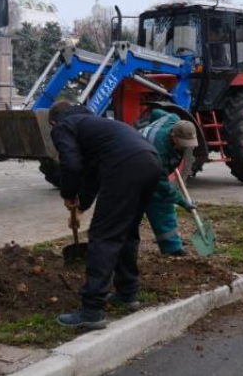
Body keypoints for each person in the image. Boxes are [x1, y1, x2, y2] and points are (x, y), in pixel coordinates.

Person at [48, 100, 161, 329]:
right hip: (151, 160)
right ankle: (128, 293)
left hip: (125, 165)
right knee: (127, 231)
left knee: (103, 236)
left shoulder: (63, 126)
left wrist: (68, 193)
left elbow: (71, 166)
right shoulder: (94, 124)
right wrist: (81, 207)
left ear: (52, 122)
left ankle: (91, 310)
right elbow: (92, 175)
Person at [139, 110, 198, 256]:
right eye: (183, 144)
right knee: (159, 200)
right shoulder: (159, 151)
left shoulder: (173, 117)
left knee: (161, 202)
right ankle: (118, 247)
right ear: (173, 136)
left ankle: (172, 247)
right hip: (135, 165)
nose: (185, 147)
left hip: (147, 158)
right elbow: (163, 186)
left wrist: (149, 125)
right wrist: (183, 202)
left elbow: (156, 112)